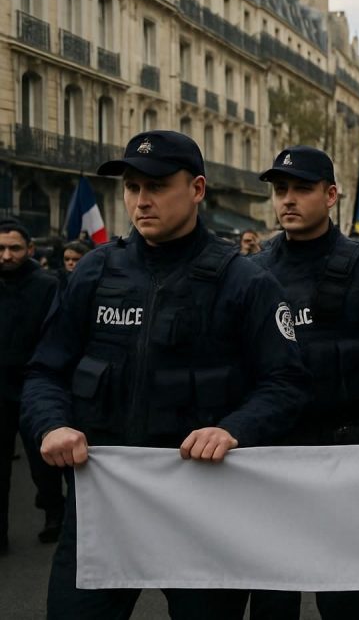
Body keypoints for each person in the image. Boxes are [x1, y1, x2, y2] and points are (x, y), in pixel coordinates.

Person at [21, 130, 310, 619]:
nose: (141, 200)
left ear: (196, 189)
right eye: (132, 187)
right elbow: (45, 372)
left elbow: (287, 384)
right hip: (104, 505)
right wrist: (52, 424)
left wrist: (234, 429)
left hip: (205, 509)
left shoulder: (245, 281)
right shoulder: (94, 273)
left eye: (156, 186)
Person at [247, 146, 359, 620]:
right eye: (281, 190)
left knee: (343, 595)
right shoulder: (252, 273)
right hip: (274, 459)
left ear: (331, 195)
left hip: (351, 455)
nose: (288, 200)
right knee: (271, 593)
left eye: (301, 189)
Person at [0, 219, 61, 552]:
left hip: (34, 386)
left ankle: (54, 513)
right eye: (0, 249)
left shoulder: (47, 285)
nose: (6, 256)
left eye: (14, 248)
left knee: (43, 461)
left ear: (30, 250)